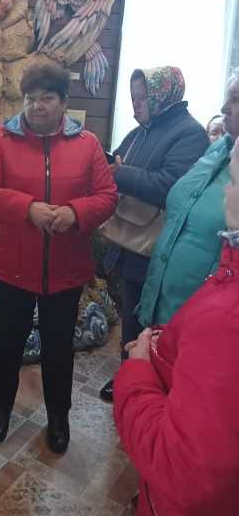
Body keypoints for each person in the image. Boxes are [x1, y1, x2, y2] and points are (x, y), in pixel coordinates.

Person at [0, 61, 117, 451]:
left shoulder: (87, 144)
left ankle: (58, 416)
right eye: (30, 98)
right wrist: (28, 208)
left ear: (64, 102)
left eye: (47, 98)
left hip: (66, 267)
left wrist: (75, 213)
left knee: (58, 346)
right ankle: (0, 407)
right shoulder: (3, 139)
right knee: (8, 341)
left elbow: (107, 196)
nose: (36, 106)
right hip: (13, 264)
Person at [113, 135, 239, 516]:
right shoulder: (210, 149)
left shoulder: (226, 321)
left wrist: (137, 374)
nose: (225, 191)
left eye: (234, 181)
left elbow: (184, 471)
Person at [99, 67, 208, 402]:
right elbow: (118, 162)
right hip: (129, 238)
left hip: (154, 247)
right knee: (130, 315)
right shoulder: (142, 131)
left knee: (144, 320)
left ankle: (141, 387)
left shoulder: (190, 134)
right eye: (133, 98)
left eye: (142, 98)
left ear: (162, 94)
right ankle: (130, 376)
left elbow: (170, 187)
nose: (136, 105)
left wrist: (121, 172)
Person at [137, 68, 239, 329]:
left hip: (205, 324)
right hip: (161, 305)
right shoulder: (219, 148)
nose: (224, 108)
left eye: (236, 99)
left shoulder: (188, 133)